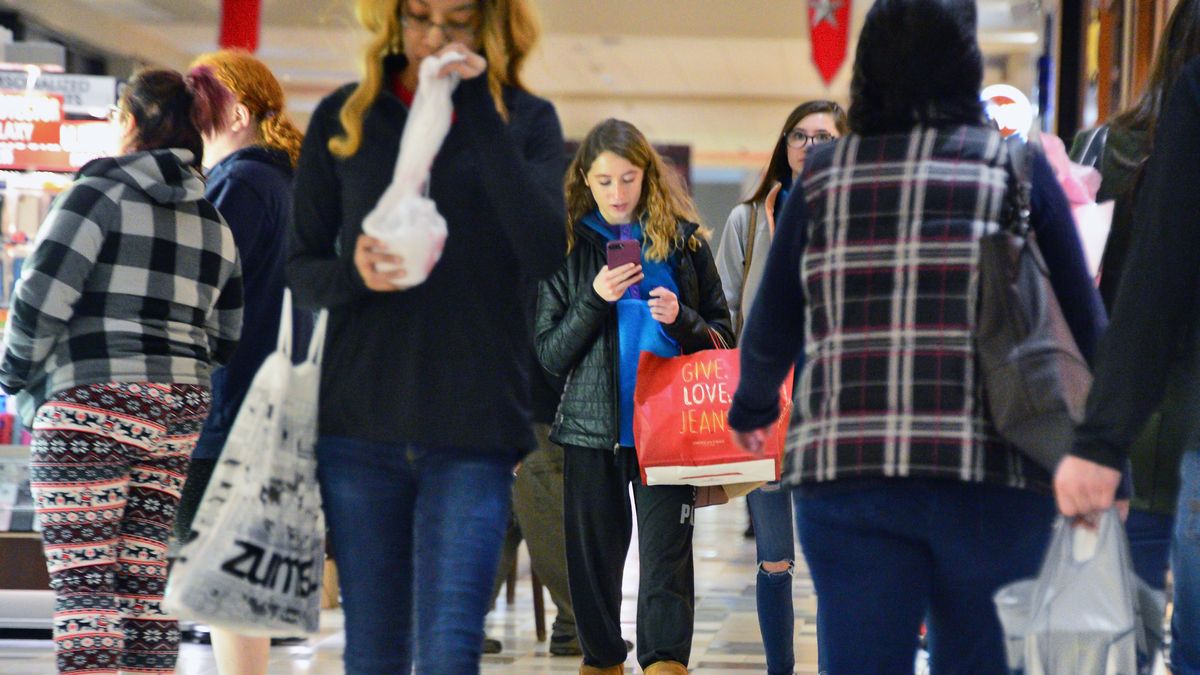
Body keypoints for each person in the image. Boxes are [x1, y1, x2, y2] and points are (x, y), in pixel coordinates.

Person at [727, 0, 1106, 671]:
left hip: (849, 474)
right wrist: (1110, 449)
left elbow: (774, 320)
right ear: (965, 68)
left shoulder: (823, 177)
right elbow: (1087, 321)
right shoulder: (1016, 167)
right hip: (992, 471)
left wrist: (753, 407)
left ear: (866, 74)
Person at [286, 0, 566, 671]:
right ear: (391, 20)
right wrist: (352, 273)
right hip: (360, 424)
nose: (435, 37)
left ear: (492, 26)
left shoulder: (526, 120)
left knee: (449, 648)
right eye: (418, 17)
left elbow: (544, 249)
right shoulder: (349, 118)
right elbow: (300, 266)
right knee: (376, 650)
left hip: (473, 428)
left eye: (458, 20)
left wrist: (478, 111)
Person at [0, 68, 243, 675]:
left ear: (130, 121)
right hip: (180, 407)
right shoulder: (214, 220)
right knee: (143, 580)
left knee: (86, 587)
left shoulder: (96, 195)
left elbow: (40, 296)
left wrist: (12, 374)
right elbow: (229, 334)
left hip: (90, 404)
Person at [536, 118, 734, 675]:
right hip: (591, 428)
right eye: (604, 182)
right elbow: (550, 354)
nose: (618, 194)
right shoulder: (568, 248)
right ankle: (602, 660)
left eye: (628, 179)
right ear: (585, 181)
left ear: (648, 177)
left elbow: (724, 337)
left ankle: (666, 662)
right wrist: (594, 299)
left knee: (667, 560)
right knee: (593, 560)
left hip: (669, 429)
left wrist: (686, 320)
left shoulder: (685, 242)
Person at [168, 49, 313, 674]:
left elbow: (201, 285)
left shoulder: (241, 184)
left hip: (228, 407)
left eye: (199, 108)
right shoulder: (284, 181)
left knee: (220, 578)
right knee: (234, 582)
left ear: (236, 114)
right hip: (267, 403)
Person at [1056, 55, 1200, 675]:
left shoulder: (1106, 149)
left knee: (1124, 621)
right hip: (1166, 404)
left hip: (1128, 404)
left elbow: (1118, 282)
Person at [715, 99, 846, 675]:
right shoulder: (749, 219)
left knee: (841, 557)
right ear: (783, 146)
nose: (810, 146)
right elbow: (722, 311)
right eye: (800, 135)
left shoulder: (860, 213)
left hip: (836, 410)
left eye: (824, 137)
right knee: (774, 559)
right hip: (766, 403)